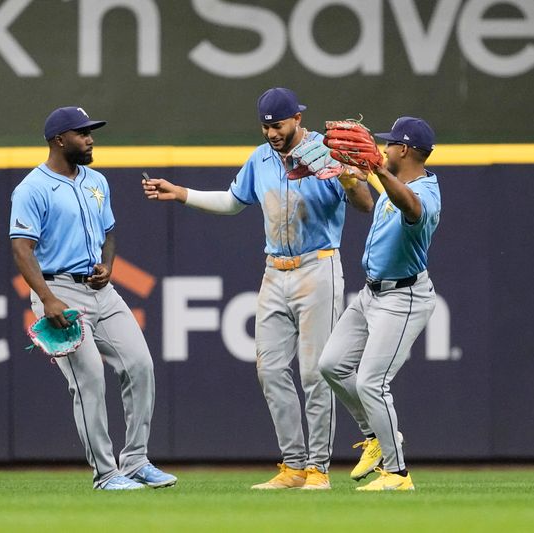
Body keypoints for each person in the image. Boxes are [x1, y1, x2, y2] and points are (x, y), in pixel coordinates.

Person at [142, 88, 374, 490]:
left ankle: (319, 469)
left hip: (318, 267)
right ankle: (294, 466)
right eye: (266, 126)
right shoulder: (260, 158)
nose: (271, 133)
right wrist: (181, 194)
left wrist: (350, 178)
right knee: (269, 370)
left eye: (278, 125)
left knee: (315, 373)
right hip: (275, 271)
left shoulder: (326, 152)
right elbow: (234, 202)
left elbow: (364, 204)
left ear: (298, 119)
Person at [10, 106, 177, 491]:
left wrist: (108, 264)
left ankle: (135, 461)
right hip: (59, 292)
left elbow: (109, 231)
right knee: (89, 380)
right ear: (59, 140)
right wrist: (47, 299)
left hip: (101, 289)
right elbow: (21, 247)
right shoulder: (32, 188)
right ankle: (106, 473)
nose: (90, 139)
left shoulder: (96, 180)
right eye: (82, 133)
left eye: (90, 132)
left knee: (140, 365)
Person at [318, 116, 441, 491]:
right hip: (371, 293)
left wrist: (375, 170)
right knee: (332, 365)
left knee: (373, 382)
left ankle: (398, 474)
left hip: (403, 298)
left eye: (390, 144)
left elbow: (412, 208)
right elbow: (374, 186)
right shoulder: (393, 180)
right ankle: (375, 436)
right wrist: (350, 174)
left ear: (404, 150)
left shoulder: (425, 192)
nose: (384, 148)